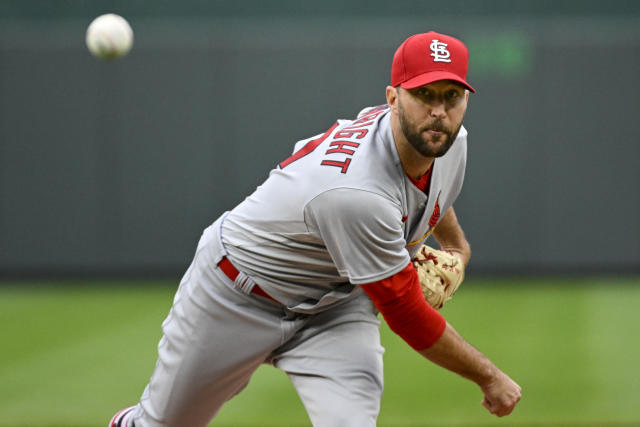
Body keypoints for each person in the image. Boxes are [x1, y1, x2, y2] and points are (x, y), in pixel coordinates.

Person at [109, 30, 521, 427]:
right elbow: (408, 315)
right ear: (393, 98)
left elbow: (434, 193)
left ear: (466, 99)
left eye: (451, 96)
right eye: (423, 94)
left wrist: (457, 252)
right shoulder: (356, 191)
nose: (438, 110)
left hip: (335, 308)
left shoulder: (450, 140)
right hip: (237, 295)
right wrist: (489, 377)